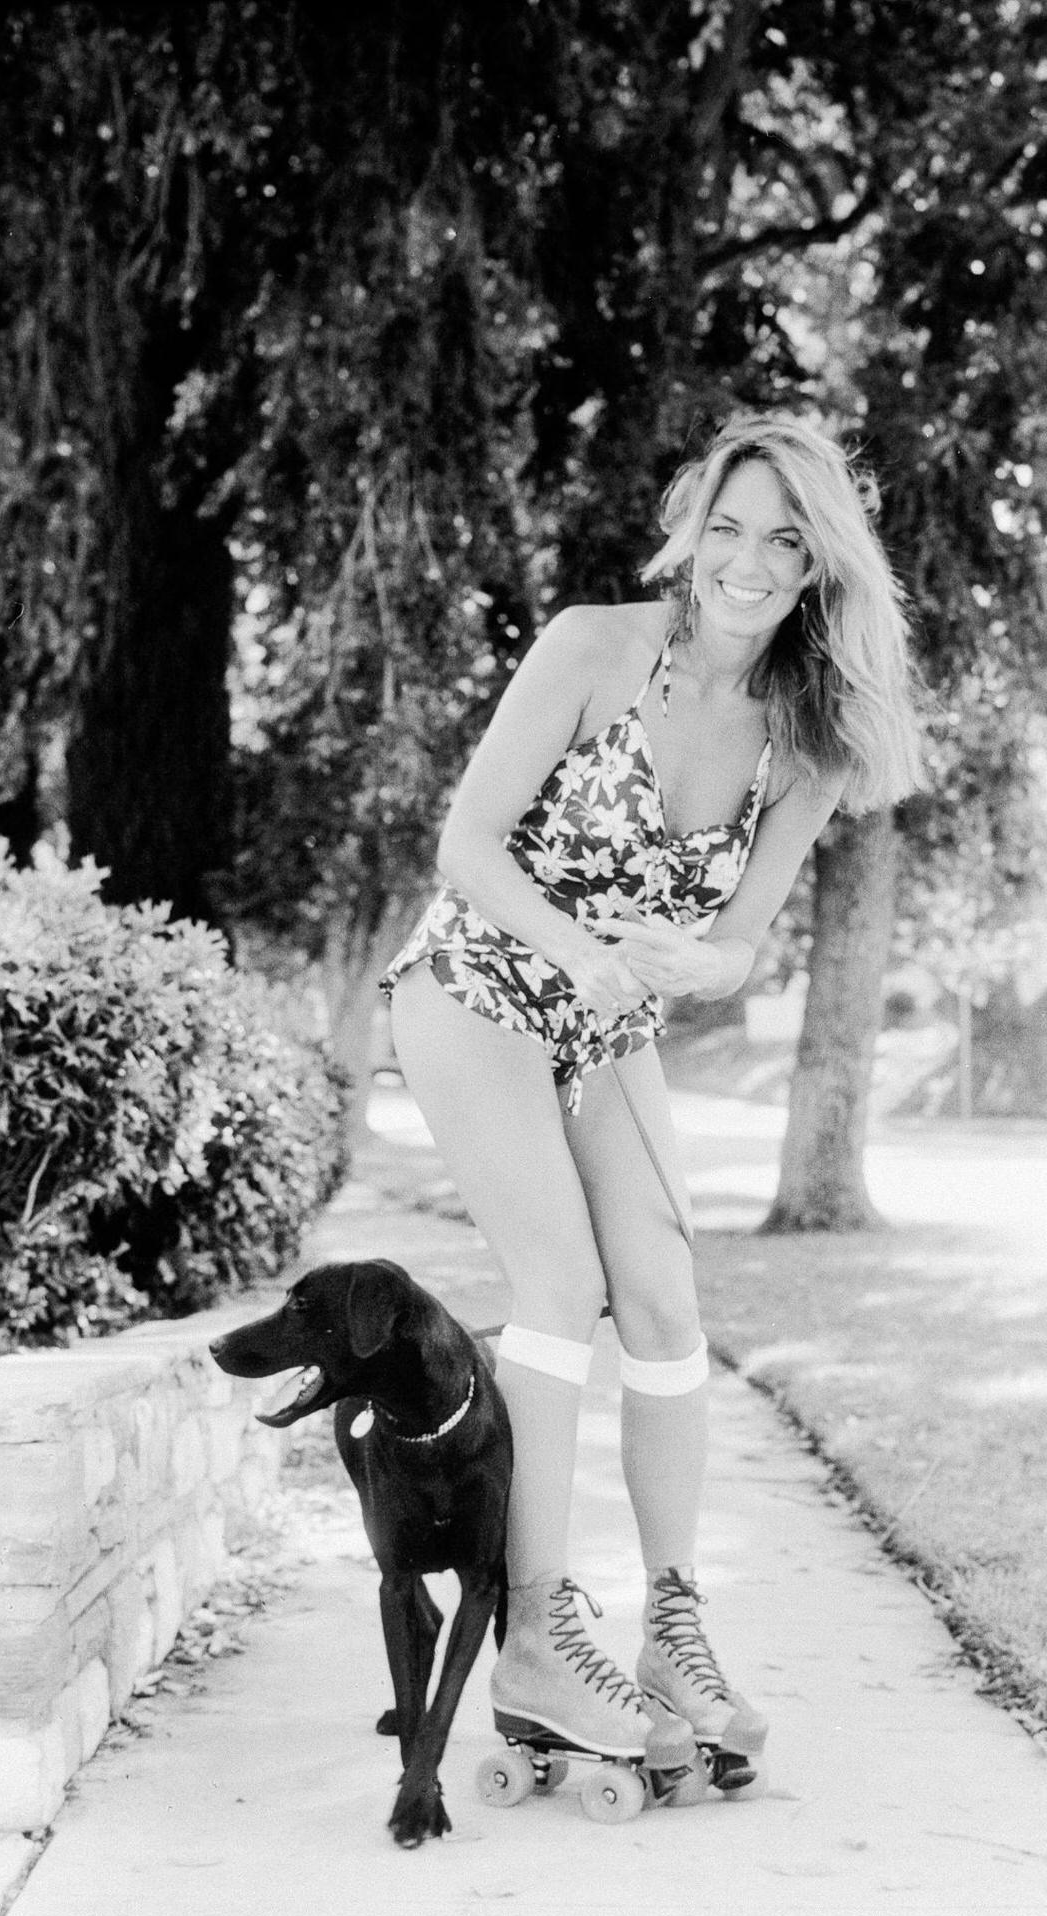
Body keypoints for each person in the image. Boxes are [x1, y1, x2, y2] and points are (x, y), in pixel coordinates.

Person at [380, 410, 923, 1783]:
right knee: (559, 1279)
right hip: (477, 981)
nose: (747, 561)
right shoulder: (591, 647)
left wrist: (701, 958)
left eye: (784, 540)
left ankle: (675, 1621)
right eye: (730, 527)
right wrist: (586, 952)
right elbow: (465, 843)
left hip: (607, 1020)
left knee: (667, 1290)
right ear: (697, 527)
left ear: (818, 567)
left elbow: (742, 940)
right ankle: (543, 1630)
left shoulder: (808, 739)